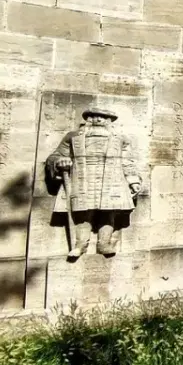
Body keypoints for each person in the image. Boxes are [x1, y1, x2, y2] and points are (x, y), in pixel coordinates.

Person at [45, 108, 142, 258]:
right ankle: (80, 244)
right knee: (83, 210)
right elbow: (55, 156)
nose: (98, 119)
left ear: (109, 120)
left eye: (102, 117)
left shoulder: (121, 138)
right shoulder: (73, 136)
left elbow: (127, 161)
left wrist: (133, 180)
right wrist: (59, 161)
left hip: (112, 177)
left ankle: (104, 243)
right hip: (82, 175)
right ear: (88, 118)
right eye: (94, 116)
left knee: (109, 210)